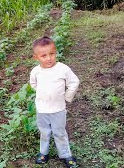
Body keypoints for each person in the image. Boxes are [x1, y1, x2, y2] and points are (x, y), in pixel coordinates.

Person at [29, 36, 80, 167]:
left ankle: (65, 154)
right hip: (42, 109)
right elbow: (33, 84)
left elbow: (74, 82)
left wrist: (67, 97)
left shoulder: (62, 69)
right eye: (44, 56)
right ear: (36, 58)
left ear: (55, 52)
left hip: (58, 109)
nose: (49, 58)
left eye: (52, 54)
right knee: (44, 132)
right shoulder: (36, 71)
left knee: (60, 132)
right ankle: (43, 153)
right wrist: (42, 93)